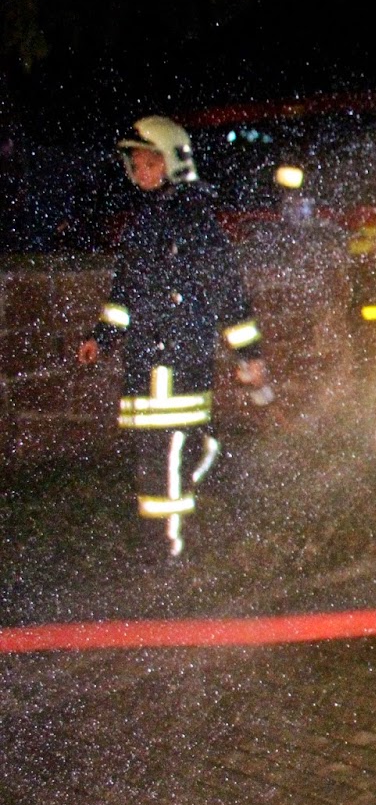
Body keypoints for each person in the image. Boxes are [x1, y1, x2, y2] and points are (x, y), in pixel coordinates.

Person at [80, 115, 266, 560]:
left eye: (149, 162)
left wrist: (248, 353)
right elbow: (123, 294)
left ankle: (165, 549)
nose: (140, 172)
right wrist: (103, 338)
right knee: (161, 451)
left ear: (173, 162)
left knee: (160, 455)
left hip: (174, 358)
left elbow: (227, 291)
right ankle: (218, 467)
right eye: (136, 164)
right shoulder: (146, 223)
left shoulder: (194, 222)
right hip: (148, 359)